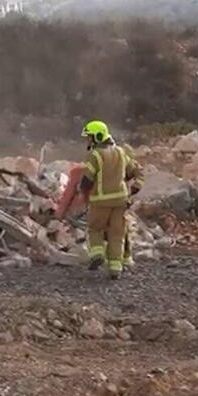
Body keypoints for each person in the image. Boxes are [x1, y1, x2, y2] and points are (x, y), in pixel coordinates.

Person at [78, 120, 142, 280]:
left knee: (95, 229)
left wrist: (82, 192)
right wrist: (135, 188)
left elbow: (87, 180)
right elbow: (135, 171)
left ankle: (97, 254)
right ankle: (115, 268)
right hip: (121, 202)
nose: (87, 141)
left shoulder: (95, 155)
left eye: (89, 137)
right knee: (116, 234)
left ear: (98, 137)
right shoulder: (121, 152)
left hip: (100, 202)